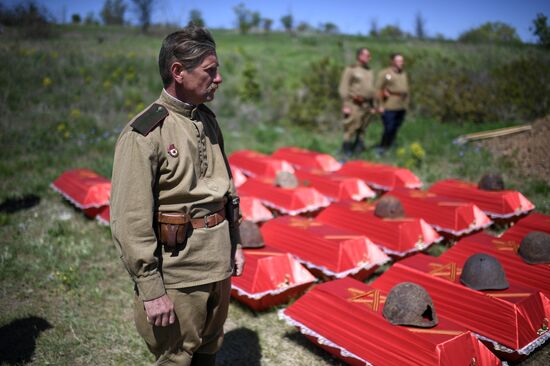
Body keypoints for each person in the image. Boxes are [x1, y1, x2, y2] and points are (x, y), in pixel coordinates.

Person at [110, 25, 245, 366]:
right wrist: (151, 289)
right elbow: (130, 219)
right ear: (178, 72)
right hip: (179, 274)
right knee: (176, 358)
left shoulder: (208, 121)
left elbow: (226, 190)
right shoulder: (144, 134)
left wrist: (236, 242)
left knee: (208, 352)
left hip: (218, 264)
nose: (218, 79)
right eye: (210, 71)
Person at [338, 47, 377, 159]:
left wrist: (373, 105)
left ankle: (358, 149)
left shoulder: (369, 71)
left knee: (362, 128)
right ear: (360, 56)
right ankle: (346, 151)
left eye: (370, 56)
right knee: (350, 127)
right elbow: (343, 87)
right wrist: (345, 104)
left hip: (366, 105)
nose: (369, 58)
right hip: (353, 103)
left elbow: (371, 89)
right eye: (367, 55)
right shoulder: (351, 69)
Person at [376, 53, 409, 154]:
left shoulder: (403, 74)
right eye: (398, 61)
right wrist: (380, 104)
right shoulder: (388, 74)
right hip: (389, 105)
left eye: (402, 61)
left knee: (396, 127)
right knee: (389, 127)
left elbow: (407, 90)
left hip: (401, 106)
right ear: (392, 62)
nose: (400, 63)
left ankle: (390, 144)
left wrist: (407, 104)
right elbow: (379, 88)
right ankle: (382, 147)